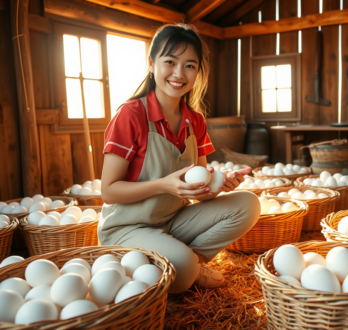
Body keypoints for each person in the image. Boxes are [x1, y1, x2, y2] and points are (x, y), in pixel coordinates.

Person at [98, 23, 260, 293]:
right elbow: (109, 191)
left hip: (172, 220)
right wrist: (164, 185)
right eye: (170, 62)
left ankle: (186, 262)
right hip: (128, 226)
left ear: (198, 72)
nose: (178, 73)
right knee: (182, 272)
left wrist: (219, 185)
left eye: (189, 65)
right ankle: (186, 265)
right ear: (151, 64)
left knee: (248, 204)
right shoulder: (131, 115)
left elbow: (200, 192)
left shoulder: (194, 120)